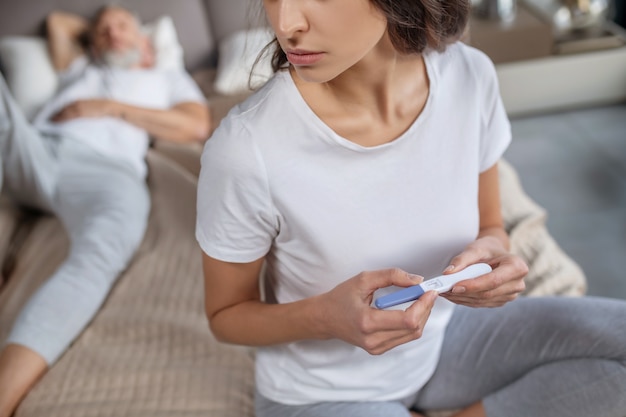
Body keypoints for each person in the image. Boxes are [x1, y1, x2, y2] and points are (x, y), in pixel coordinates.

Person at [196, 1, 626, 417]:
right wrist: (326, 317)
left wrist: (492, 259)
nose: (286, 22)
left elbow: (492, 226)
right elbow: (226, 317)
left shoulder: (469, 76)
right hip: (322, 393)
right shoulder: (246, 148)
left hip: (446, 342)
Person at [0, 5, 210, 416]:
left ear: (147, 43)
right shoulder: (81, 68)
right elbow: (59, 23)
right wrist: (107, 36)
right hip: (35, 149)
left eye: (123, 26)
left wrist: (107, 106)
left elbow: (196, 125)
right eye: (102, 31)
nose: (111, 32)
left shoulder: (166, 77)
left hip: (105, 172)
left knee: (110, 242)